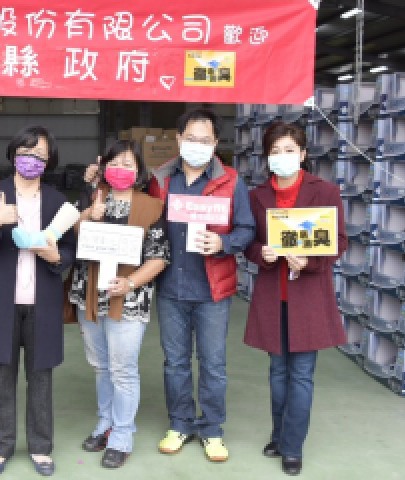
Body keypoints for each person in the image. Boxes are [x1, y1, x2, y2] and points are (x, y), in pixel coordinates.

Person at [0, 126, 76, 478]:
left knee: (41, 376)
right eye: (26, 152)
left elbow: (70, 248)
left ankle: (40, 447)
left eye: (40, 155)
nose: (31, 160)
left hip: (42, 300)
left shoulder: (57, 201)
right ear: (13, 155)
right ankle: (0, 448)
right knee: (2, 376)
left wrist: (58, 257)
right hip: (1, 301)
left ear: (49, 161)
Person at [147, 108, 256, 462]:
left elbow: (247, 228)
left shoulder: (231, 181)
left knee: (213, 364)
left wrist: (223, 243)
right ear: (179, 139)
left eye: (205, 140)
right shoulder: (162, 179)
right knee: (175, 362)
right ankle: (179, 423)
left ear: (215, 142)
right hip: (171, 287)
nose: (197, 145)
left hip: (212, 290)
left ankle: (211, 429)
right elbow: (143, 217)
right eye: (191, 138)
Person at [242, 122, 347, 476]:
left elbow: (339, 241)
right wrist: (262, 253)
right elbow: (248, 242)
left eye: (289, 150)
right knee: (277, 372)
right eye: (275, 151)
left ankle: (292, 446)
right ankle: (279, 434)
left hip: (309, 297)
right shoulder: (257, 196)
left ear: (302, 154)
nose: (282, 156)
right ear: (267, 157)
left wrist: (311, 261)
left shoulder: (325, 192)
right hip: (273, 296)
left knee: (301, 374)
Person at [68, 140, 170, 468]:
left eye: (128, 164)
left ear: (139, 171)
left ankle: (122, 435)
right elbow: (69, 236)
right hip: (90, 296)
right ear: (103, 167)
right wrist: (88, 215)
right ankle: (105, 423)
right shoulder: (91, 198)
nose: (120, 170)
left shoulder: (152, 206)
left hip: (129, 299)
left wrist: (130, 283)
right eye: (114, 163)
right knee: (101, 366)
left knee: (123, 370)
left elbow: (159, 257)